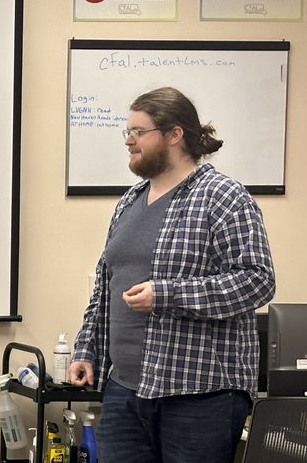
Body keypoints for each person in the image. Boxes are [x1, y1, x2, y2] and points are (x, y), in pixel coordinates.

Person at [68, 87, 275, 463]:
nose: (129, 141)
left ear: (174, 135)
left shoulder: (223, 196)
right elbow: (105, 286)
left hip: (199, 395)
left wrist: (167, 295)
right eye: (126, 132)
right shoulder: (129, 201)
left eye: (138, 132)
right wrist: (87, 349)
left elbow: (257, 280)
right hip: (125, 391)